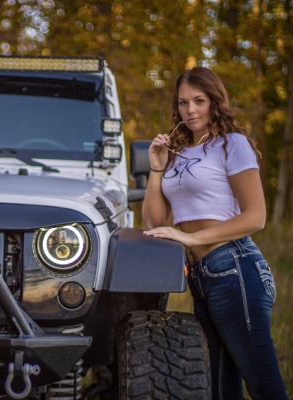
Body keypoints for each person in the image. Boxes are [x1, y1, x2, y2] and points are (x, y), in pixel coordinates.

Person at [141, 67, 287, 400]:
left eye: (199, 101)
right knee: (219, 389)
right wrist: (156, 168)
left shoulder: (231, 144)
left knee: (263, 384)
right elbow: (154, 222)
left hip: (235, 268)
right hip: (202, 277)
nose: (190, 110)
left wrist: (191, 239)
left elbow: (256, 216)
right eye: (182, 103)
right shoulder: (178, 153)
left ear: (214, 102)